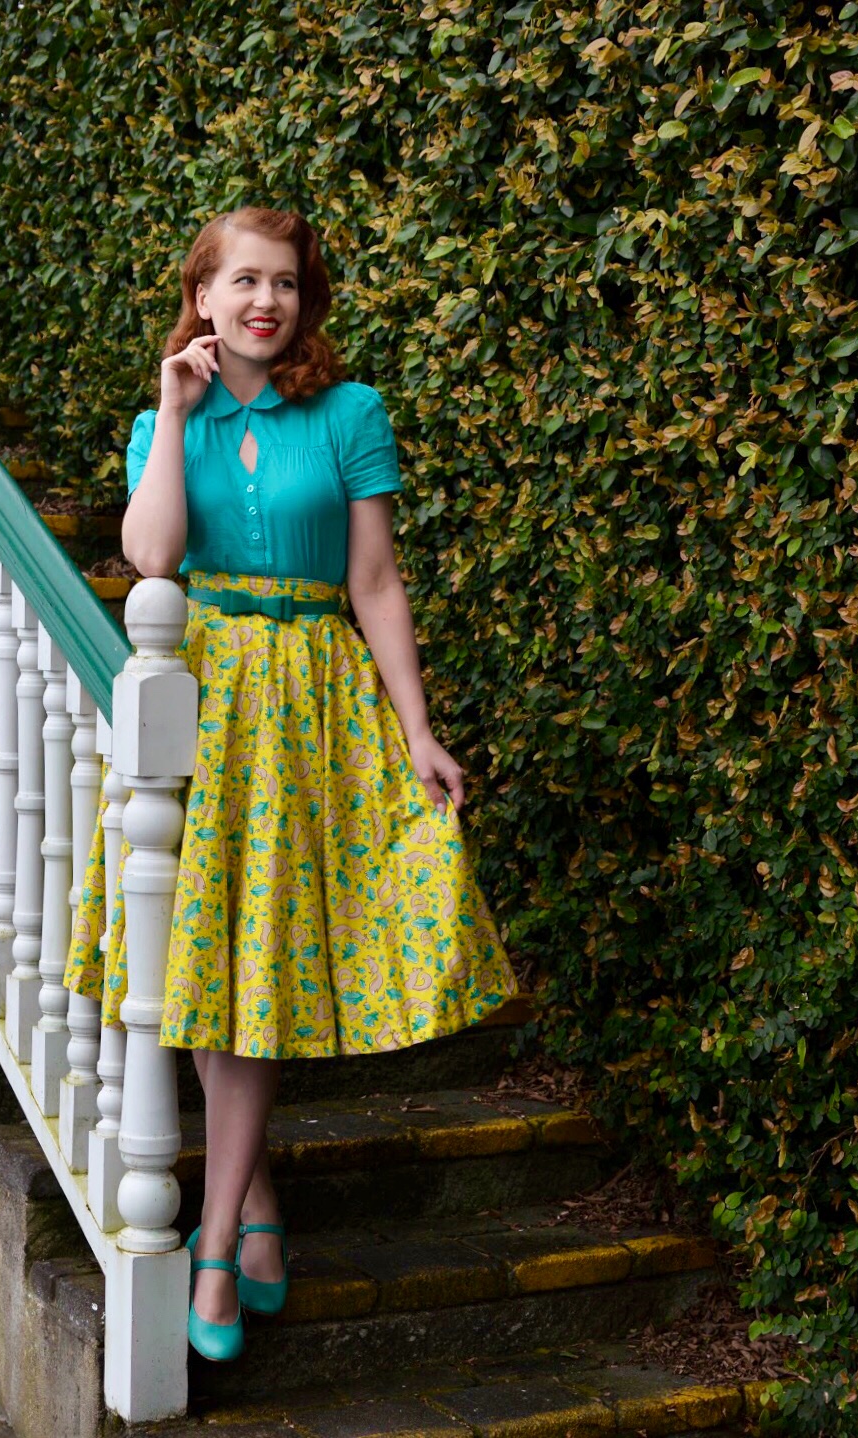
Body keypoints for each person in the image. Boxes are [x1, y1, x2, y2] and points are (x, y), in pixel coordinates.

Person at [63, 206, 517, 1363]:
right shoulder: (162, 420)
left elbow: (374, 580)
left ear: (305, 301)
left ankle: (215, 1241)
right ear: (203, 298)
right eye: (243, 281)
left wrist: (416, 728)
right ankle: (251, 1206)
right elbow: (153, 557)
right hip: (201, 698)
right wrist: (174, 413)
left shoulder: (349, 412)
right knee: (201, 948)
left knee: (254, 958)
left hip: (310, 702)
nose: (265, 301)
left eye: (285, 284)